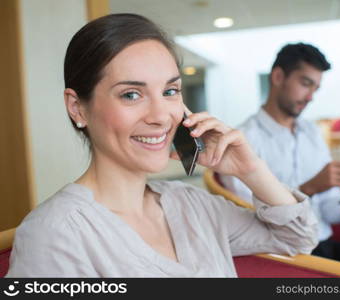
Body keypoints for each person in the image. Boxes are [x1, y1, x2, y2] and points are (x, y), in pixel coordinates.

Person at [6, 15, 318, 278]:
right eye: (131, 94)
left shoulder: (192, 205)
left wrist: (251, 169)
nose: (160, 117)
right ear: (78, 108)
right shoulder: (54, 235)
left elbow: (297, 237)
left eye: (170, 91)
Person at [221, 43, 340, 277]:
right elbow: (250, 219)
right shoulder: (243, 142)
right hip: (288, 258)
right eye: (305, 84)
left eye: (316, 88)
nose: (311, 96)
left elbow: (330, 211)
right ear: (278, 76)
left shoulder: (311, 133)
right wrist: (310, 187)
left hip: (324, 244)